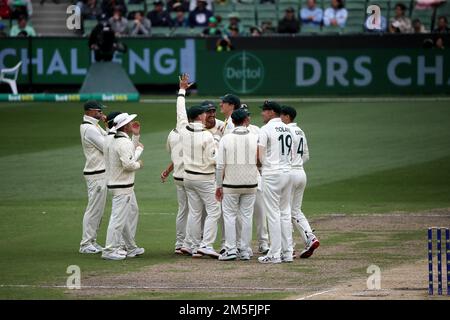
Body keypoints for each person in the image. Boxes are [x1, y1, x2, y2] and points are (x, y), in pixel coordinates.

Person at [177, 74, 221, 259]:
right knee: (214, 211)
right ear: (199, 117)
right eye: (204, 113)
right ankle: (206, 245)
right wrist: (219, 143)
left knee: (194, 212)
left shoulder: (182, 129)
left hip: (188, 178)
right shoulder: (207, 136)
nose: (207, 115)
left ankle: (191, 245)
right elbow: (214, 160)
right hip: (204, 178)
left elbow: (180, 111)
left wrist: (182, 90)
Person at [216, 109, 259, 261]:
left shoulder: (226, 139)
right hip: (251, 183)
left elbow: (220, 166)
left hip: (231, 184)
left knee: (229, 216)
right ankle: (245, 250)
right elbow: (260, 161)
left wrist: (218, 186)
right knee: (246, 216)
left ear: (233, 121)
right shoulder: (255, 137)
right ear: (246, 120)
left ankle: (230, 249)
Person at [102, 112, 144, 260]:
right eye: (129, 123)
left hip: (120, 184)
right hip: (122, 185)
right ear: (125, 126)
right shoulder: (122, 142)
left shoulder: (115, 139)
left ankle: (131, 248)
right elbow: (128, 164)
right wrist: (139, 164)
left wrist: (136, 137)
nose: (131, 124)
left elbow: (128, 154)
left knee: (125, 218)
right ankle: (109, 250)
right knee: (118, 219)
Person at [280, 106, 319, 259]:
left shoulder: (285, 131)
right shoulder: (300, 131)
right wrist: (297, 163)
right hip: (301, 173)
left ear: (287, 117)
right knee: (295, 210)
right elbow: (306, 155)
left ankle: (289, 247)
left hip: (289, 174)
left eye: (281, 116)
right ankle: (310, 238)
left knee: (285, 211)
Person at [257, 100, 293, 264]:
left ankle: (274, 254)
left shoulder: (266, 129)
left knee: (272, 214)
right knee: (285, 213)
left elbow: (260, 154)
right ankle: (288, 252)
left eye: (264, 111)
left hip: (272, 174)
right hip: (288, 173)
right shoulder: (288, 128)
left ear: (271, 112)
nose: (262, 113)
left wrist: (263, 167)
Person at [79, 100, 108, 254]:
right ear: (89, 112)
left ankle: (92, 241)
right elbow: (107, 147)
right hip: (96, 174)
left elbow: (109, 139)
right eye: (98, 111)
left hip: (101, 173)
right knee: (93, 209)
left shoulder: (94, 126)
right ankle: (85, 243)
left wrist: (108, 125)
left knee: (98, 210)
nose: (101, 114)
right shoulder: (89, 128)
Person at [239, 104, 269, 254]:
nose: (248, 117)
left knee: (260, 212)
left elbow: (262, 154)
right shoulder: (232, 130)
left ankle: (263, 243)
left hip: (257, 177)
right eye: (245, 115)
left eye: (248, 114)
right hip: (239, 178)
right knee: (242, 215)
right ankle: (243, 245)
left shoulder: (258, 130)